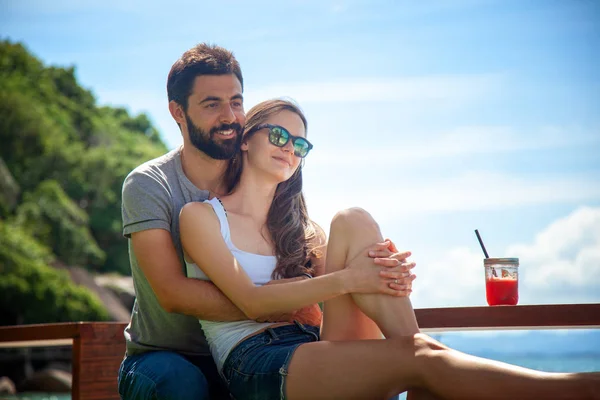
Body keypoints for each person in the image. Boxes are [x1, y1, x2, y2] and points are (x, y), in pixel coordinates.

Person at [180, 98, 600, 400]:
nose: (290, 148)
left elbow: (357, 291)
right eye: (279, 134)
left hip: (312, 343)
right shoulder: (201, 217)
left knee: (354, 219)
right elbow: (252, 302)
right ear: (247, 141)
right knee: (420, 357)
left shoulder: (303, 230)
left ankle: (422, 370)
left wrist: (386, 271)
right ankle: (576, 389)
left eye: (301, 145)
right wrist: (353, 277)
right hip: (255, 361)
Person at [118, 44, 414, 400]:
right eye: (212, 104)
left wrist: (383, 269)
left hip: (254, 349)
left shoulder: (257, 175)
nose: (229, 116)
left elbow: (314, 254)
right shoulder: (151, 184)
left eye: (237, 102)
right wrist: (283, 304)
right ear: (177, 112)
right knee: (182, 384)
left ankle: (418, 359)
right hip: (166, 354)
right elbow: (172, 293)